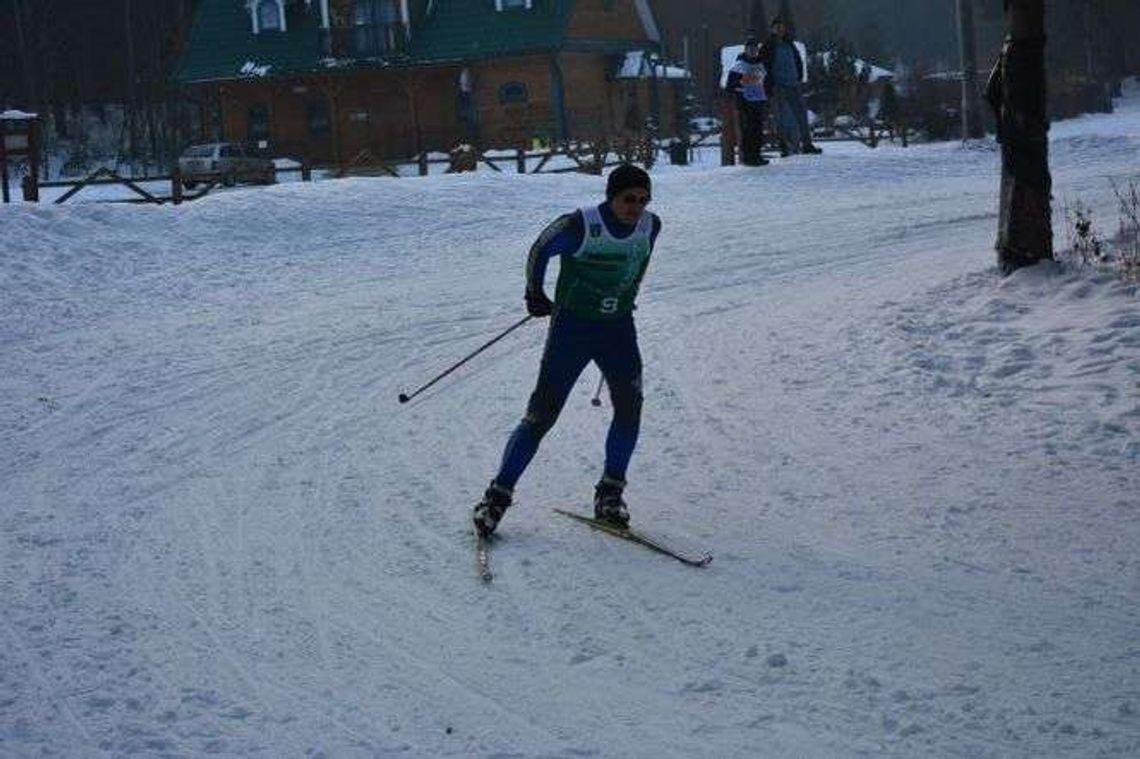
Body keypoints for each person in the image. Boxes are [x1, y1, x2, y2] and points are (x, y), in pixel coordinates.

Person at [473, 163, 663, 537]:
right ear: (611, 196)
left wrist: (625, 294)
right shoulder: (580, 225)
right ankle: (496, 496)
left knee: (629, 408)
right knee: (541, 416)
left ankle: (611, 493)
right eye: (628, 199)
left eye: (643, 199)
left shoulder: (651, 226)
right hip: (572, 330)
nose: (636, 207)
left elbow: (638, 260)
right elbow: (541, 247)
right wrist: (534, 292)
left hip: (618, 331)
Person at [759, 16, 822, 156]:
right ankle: (784, 147)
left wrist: (799, 76)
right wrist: (770, 83)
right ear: (772, 29)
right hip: (778, 86)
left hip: (793, 84)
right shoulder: (768, 45)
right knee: (780, 117)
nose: (780, 29)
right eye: (777, 27)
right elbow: (763, 64)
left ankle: (807, 144)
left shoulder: (790, 44)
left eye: (782, 27)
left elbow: (797, 60)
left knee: (801, 114)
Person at [725, 35, 770, 166]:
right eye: (750, 49)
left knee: (758, 129)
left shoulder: (761, 64)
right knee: (747, 130)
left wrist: (767, 93)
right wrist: (742, 86)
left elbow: (767, 81)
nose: (753, 51)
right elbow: (730, 86)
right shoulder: (739, 66)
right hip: (745, 102)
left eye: (755, 49)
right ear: (745, 50)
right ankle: (748, 157)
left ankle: (757, 155)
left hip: (759, 102)